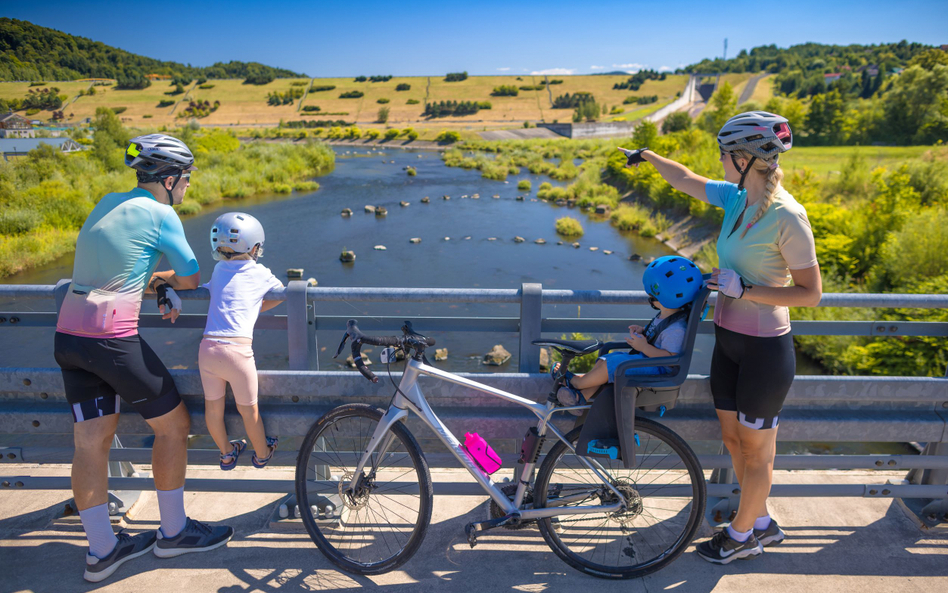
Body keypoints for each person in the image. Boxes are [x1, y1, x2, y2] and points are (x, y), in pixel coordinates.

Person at [619, 111, 822, 564]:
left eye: (725, 154)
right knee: (733, 441)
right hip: (727, 341)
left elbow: (811, 294)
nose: (721, 161)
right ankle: (763, 523)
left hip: (765, 350)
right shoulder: (735, 199)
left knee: (758, 452)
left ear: (745, 157)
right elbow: (685, 178)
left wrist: (744, 288)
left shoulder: (788, 215)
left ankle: (742, 535)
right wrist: (648, 155)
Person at [54, 134, 233, 583]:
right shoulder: (162, 212)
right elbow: (192, 277)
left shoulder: (108, 201)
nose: (189, 186)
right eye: (186, 179)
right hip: (110, 338)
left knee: (89, 442)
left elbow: (117, 263)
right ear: (169, 179)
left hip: (69, 336)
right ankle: (173, 533)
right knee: (174, 427)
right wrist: (162, 281)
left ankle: (102, 552)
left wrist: (147, 279)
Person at [554, 255, 702, 412]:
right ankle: (581, 397)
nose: (650, 300)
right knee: (609, 359)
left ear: (665, 298)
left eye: (653, 297)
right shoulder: (665, 316)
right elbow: (658, 334)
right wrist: (643, 331)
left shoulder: (676, 329)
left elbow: (670, 359)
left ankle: (575, 383)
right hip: (648, 362)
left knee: (616, 365)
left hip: (658, 370)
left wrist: (643, 347)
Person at [200, 212, 283, 471]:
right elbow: (281, 294)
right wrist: (255, 307)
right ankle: (262, 453)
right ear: (254, 246)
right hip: (237, 352)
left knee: (213, 409)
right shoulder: (259, 272)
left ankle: (226, 454)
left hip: (208, 349)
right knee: (249, 410)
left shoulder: (218, 268)